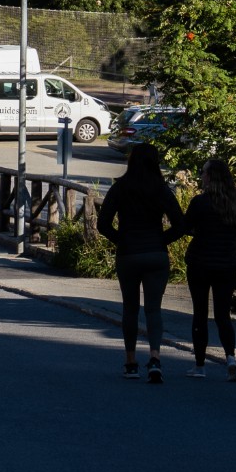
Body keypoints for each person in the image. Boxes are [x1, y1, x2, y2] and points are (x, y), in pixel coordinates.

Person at [96, 141, 183, 383]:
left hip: (129, 254)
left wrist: (121, 240)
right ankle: (155, 357)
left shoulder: (121, 188)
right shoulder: (161, 189)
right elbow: (181, 224)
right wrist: (160, 240)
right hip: (156, 254)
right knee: (154, 309)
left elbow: (102, 224)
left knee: (130, 308)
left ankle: (131, 361)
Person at [179, 157, 236, 381]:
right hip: (227, 263)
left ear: (210, 177)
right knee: (223, 315)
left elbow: (184, 226)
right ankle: (230, 358)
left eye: (204, 172)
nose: (201, 176)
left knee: (200, 314)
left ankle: (199, 365)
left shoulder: (201, 203)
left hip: (201, 262)